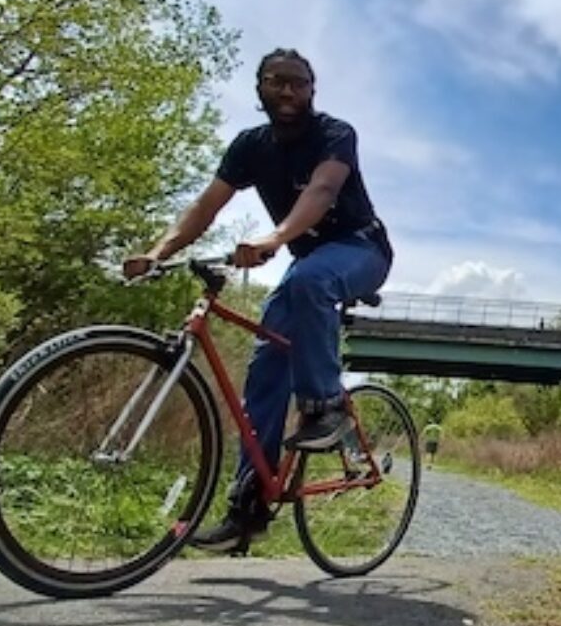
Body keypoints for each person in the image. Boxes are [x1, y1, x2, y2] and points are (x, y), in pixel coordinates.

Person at [122, 48, 393, 551]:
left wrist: (274, 238)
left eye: (298, 83)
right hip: (306, 261)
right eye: (276, 81)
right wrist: (158, 253)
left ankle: (326, 405)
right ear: (260, 88)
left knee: (311, 281)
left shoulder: (335, 134)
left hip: (360, 249)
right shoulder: (250, 146)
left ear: (312, 90)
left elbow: (322, 190)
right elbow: (206, 205)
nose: (287, 91)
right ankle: (247, 510)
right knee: (267, 365)